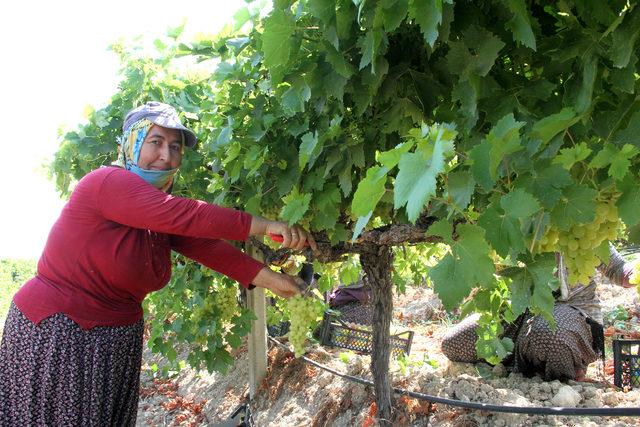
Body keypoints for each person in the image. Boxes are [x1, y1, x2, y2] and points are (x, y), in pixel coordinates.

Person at [0, 101, 317, 425]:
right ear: (131, 143)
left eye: (175, 146)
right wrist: (264, 225)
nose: (166, 155)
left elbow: (207, 247)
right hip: (62, 333)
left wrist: (276, 281)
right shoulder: (106, 183)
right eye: (155, 142)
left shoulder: (155, 216)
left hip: (113, 341)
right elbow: (184, 213)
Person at [441, 245, 637, 381]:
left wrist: (634, 273)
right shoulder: (516, 216)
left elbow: (618, 269)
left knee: (548, 334)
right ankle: (517, 364)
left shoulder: (581, 224)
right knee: (455, 343)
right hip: (516, 309)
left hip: (570, 308)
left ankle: (564, 369)